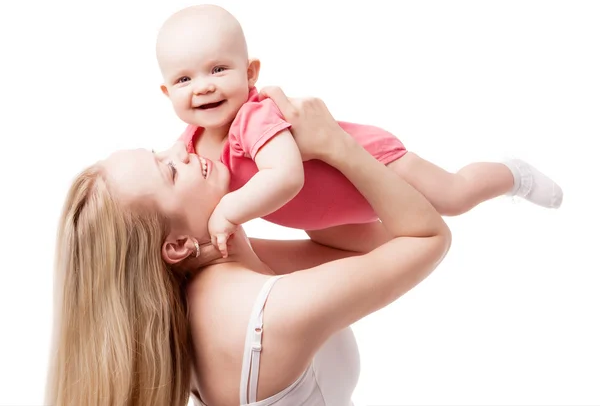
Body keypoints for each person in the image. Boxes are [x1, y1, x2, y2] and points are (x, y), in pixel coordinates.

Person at [45, 89, 451, 406]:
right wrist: (337, 146)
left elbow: (359, 249)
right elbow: (425, 237)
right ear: (178, 244)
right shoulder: (270, 313)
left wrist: (284, 175)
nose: (182, 150)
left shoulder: (197, 283)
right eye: (168, 170)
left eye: (159, 151)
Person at [155, 4, 563, 257]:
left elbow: (286, 176)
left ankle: (513, 175)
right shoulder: (187, 146)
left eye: (218, 69)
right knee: (388, 251)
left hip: (369, 165)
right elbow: (171, 188)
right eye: (184, 80)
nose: (203, 86)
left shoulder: (253, 117)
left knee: (453, 196)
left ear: (250, 73)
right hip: (327, 221)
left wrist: (228, 210)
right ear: (166, 91)